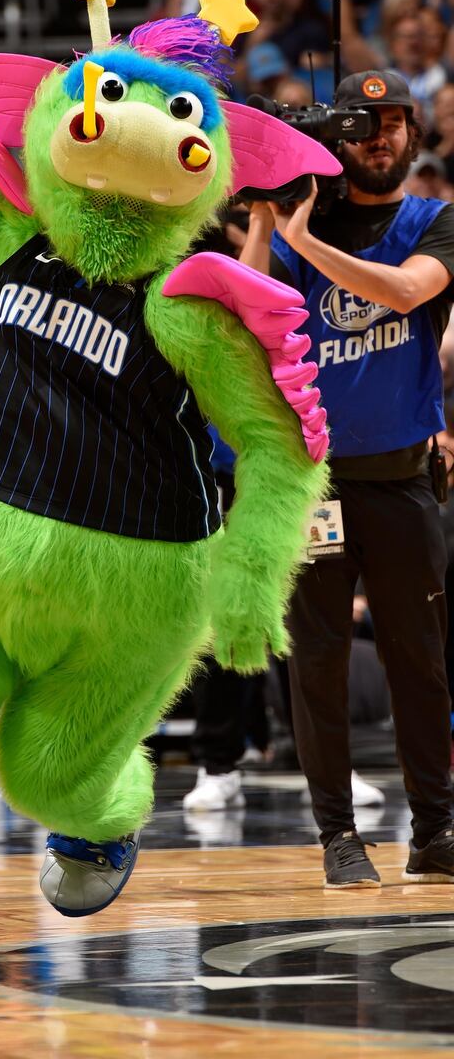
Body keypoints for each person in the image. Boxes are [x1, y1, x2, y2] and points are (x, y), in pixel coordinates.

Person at [242, 69, 454, 887]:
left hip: (402, 482)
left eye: (395, 123)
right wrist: (266, 215)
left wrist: (307, 244)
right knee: (318, 662)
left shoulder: (435, 223)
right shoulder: (299, 224)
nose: (380, 137)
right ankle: (339, 836)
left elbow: (403, 294)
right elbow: (253, 312)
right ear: (338, 139)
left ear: (412, 135)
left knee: (421, 662)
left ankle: (435, 830)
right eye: (364, 124)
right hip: (313, 485)